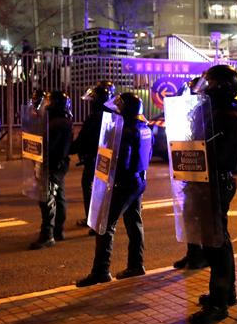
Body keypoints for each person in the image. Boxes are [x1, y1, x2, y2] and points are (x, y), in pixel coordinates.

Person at [188, 65, 237, 324]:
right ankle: (226, 292)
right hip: (209, 182)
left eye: (208, 84)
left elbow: (218, 156)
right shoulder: (216, 113)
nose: (204, 88)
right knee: (218, 240)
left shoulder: (227, 116)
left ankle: (218, 303)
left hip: (216, 183)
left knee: (216, 244)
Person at [76, 92, 152, 287]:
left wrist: (108, 177)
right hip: (139, 180)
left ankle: (101, 270)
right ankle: (136, 265)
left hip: (125, 183)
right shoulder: (143, 127)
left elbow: (122, 162)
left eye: (119, 107)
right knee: (134, 222)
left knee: (104, 225)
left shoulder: (126, 130)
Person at [173, 76, 209, 271]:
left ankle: (202, 256)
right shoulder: (194, 109)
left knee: (201, 217)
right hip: (192, 169)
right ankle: (192, 252)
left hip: (203, 172)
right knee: (189, 214)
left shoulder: (209, 110)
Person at [29, 91, 73, 250]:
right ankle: (58, 230)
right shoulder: (61, 120)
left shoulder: (57, 123)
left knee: (46, 199)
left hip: (52, 165)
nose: (45, 104)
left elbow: (50, 147)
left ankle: (47, 235)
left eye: (48, 101)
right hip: (59, 165)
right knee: (59, 196)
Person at [70, 81, 115, 232]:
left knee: (91, 188)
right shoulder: (112, 114)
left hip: (95, 159)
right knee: (101, 188)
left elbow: (83, 140)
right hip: (105, 158)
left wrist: (67, 150)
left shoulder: (96, 117)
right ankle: (98, 220)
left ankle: (95, 221)